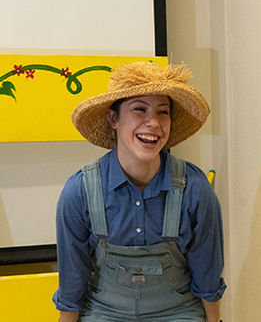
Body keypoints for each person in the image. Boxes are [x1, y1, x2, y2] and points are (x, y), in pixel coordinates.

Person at [53, 62, 226, 322]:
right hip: (103, 313)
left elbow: (208, 275)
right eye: (139, 109)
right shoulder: (79, 191)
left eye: (163, 112)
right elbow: (72, 284)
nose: (153, 123)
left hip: (178, 313)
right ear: (114, 119)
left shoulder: (195, 188)